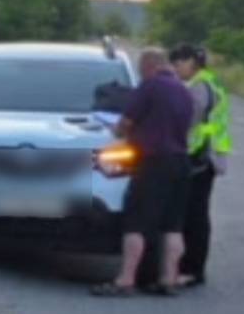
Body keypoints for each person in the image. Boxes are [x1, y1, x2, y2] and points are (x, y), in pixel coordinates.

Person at [91, 47, 193, 297]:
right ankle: (168, 279)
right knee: (173, 225)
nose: (140, 73)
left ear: (149, 66)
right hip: (181, 162)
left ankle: (125, 281)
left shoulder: (150, 86)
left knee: (135, 222)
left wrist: (116, 130)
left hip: (153, 162)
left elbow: (125, 124)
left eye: (141, 69)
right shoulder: (184, 90)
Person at [169, 43, 232, 287]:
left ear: (191, 62)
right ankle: (190, 267)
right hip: (208, 156)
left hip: (201, 158)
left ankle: (192, 270)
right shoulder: (211, 81)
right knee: (196, 214)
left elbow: (189, 119)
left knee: (194, 216)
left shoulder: (199, 87)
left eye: (178, 64)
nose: (176, 70)